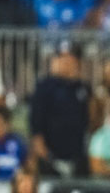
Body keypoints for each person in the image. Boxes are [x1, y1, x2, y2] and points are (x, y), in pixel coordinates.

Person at [28, 45, 91, 177]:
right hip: (51, 156)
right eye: (64, 60)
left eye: (71, 60)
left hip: (76, 157)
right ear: (55, 62)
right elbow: (36, 124)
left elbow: (87, 121)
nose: (68, 64)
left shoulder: (81, 88)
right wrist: (44, 154)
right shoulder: (44, 87)